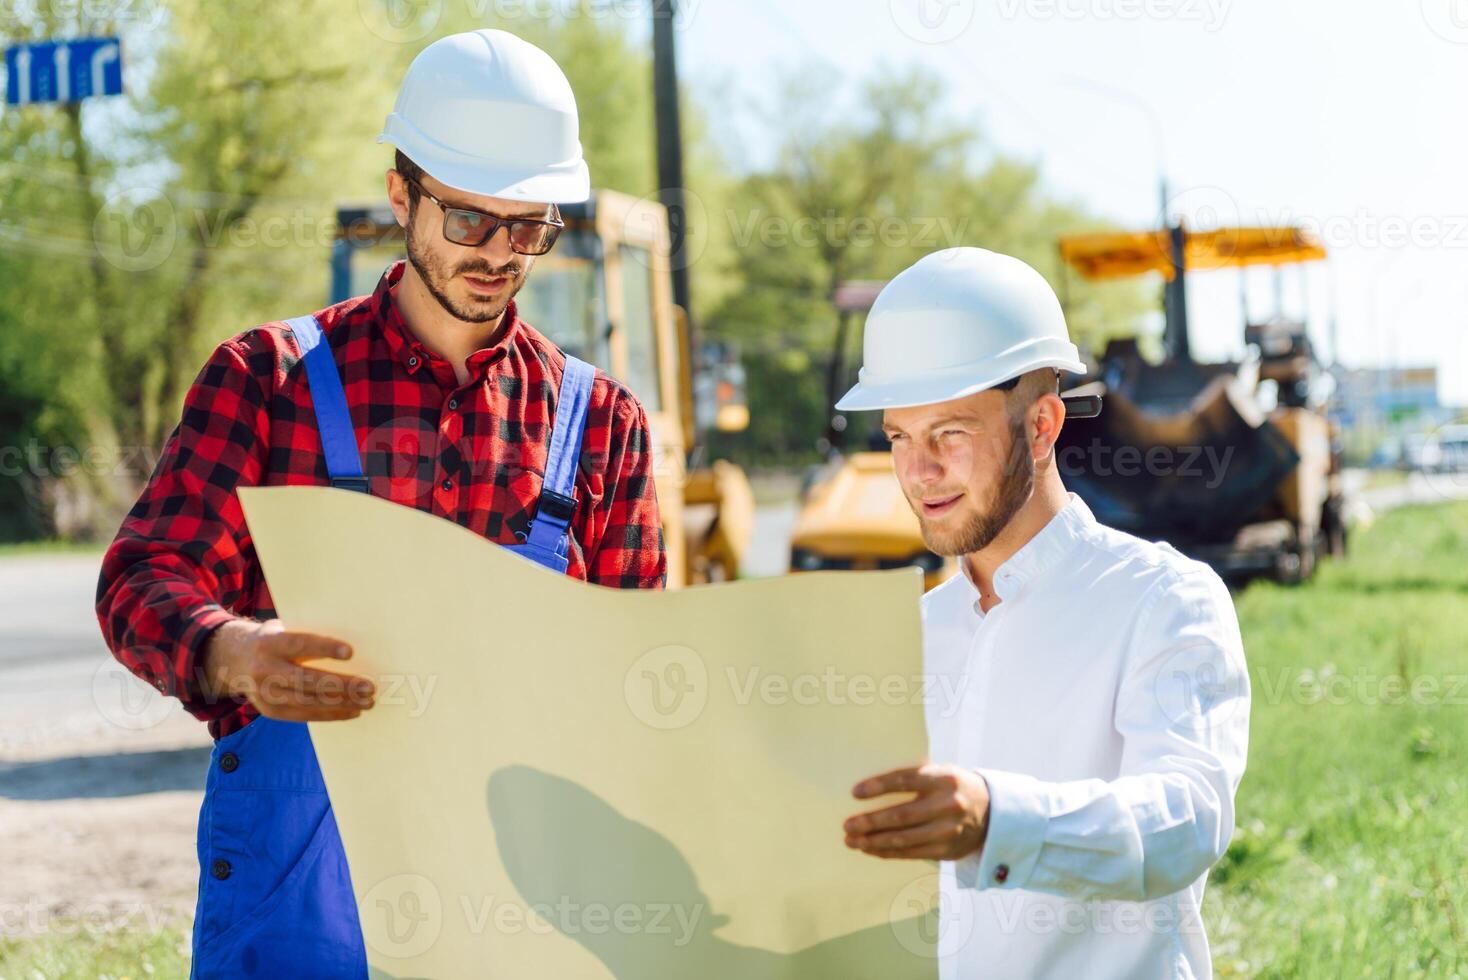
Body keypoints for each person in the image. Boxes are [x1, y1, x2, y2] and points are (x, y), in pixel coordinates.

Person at [94, 30, 666, 976]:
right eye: (469, 220)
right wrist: (232, 652)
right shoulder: (266, 382)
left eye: (529, 227)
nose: (499, 254)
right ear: (402, 196)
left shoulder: (601, 426)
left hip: (517, 922)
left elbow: (639, 690)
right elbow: (142, 575)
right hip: (300, 920)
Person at [838, 248, 1249, 978]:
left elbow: (1186, 820)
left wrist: (999, 821)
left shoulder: (1161, 601)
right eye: (900, 437)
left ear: (1041, 426)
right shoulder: (911, 637)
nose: (918, 472)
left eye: (950, 434)